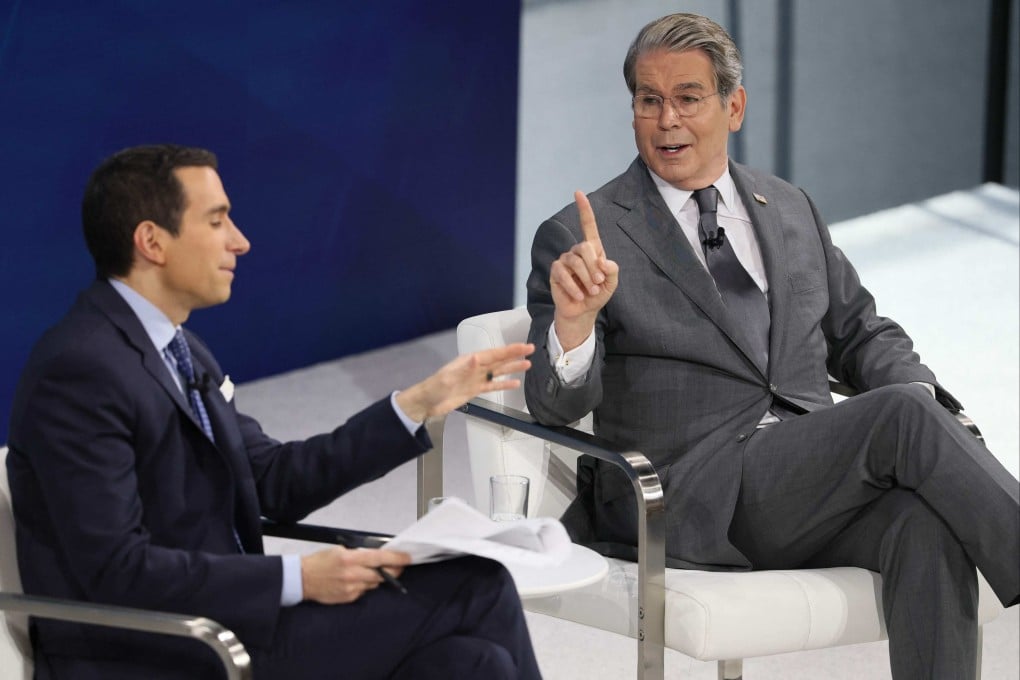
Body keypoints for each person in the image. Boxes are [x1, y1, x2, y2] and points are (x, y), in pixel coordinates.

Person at [524, 12, 1018, 680]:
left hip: (805, 476)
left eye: (688, 98)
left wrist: (934, 412)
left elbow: (859, 331)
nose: (666, 120)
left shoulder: (787, 207)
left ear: (735, 106)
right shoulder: (582, 238)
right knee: (900, 413)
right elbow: (553, 406)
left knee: (922, 521)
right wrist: (575, 326)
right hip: (688, 490)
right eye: (649, 100)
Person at [6, 144, 542, 680]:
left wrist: (417, 403)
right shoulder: (79, 369)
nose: (239, 241)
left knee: (474, 665)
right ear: (151, 241)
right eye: (217, 221)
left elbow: (275, 480)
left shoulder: (183, 351)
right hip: (156, 650)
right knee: (479, 586)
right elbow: (115, 569)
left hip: (228, 623)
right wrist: (298, 578)